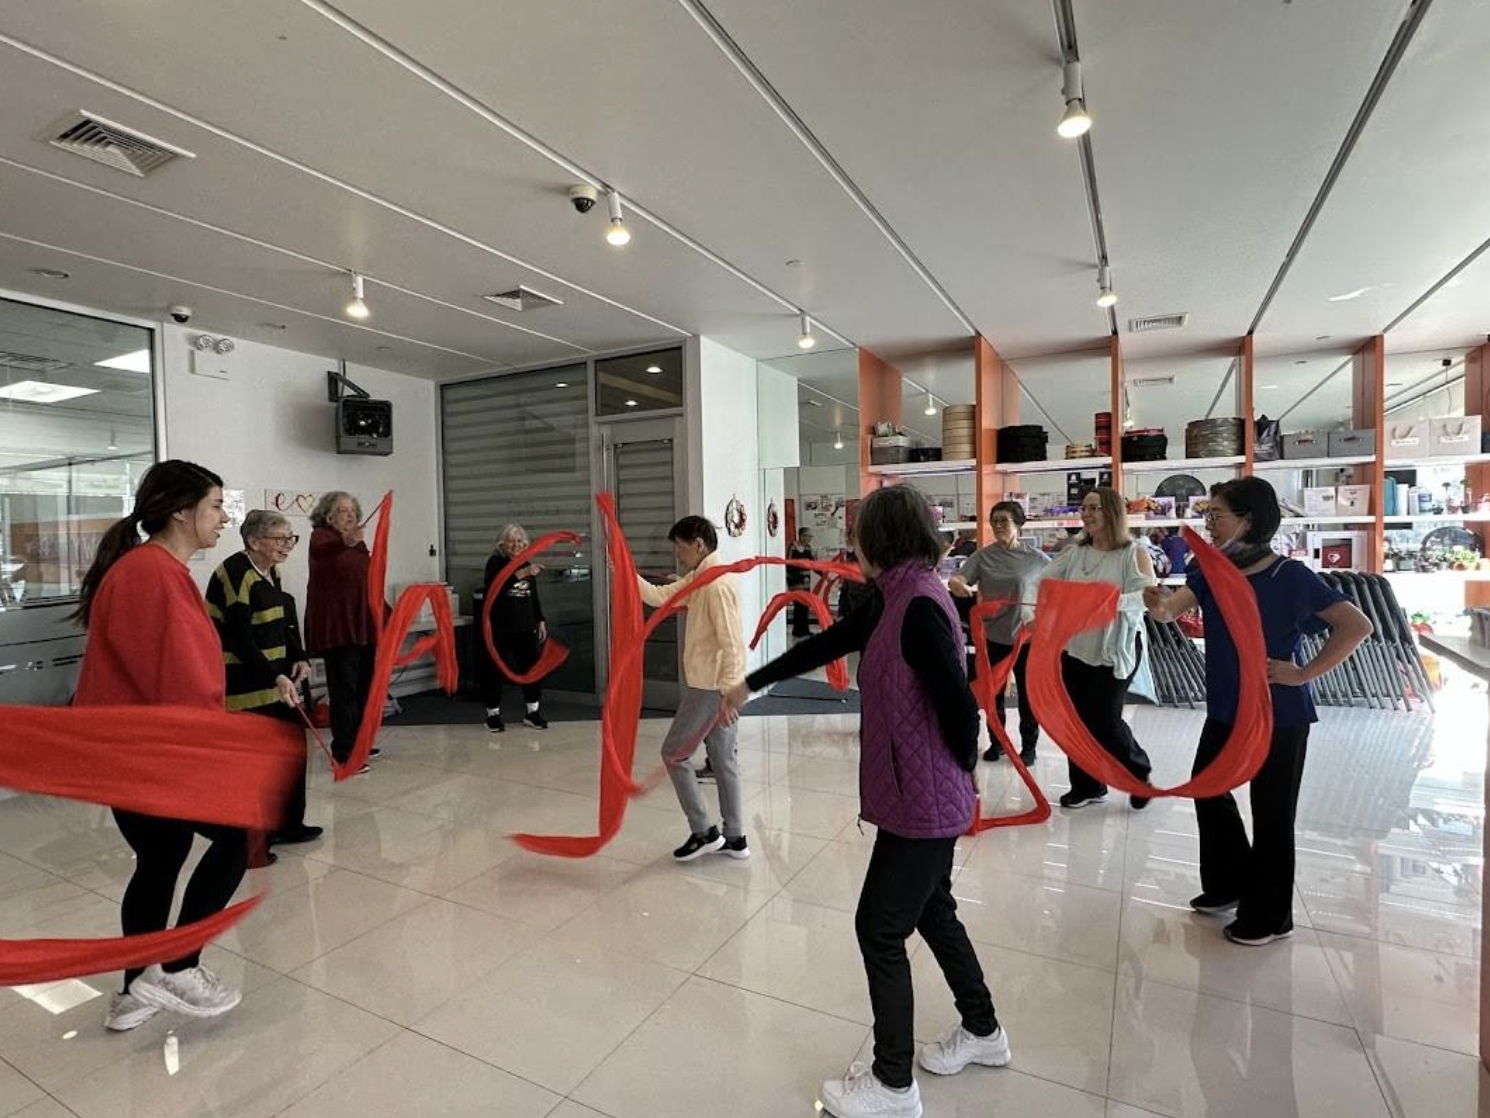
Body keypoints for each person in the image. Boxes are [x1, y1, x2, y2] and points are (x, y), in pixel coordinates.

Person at [723, 485, 1007, 1118]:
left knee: (878, 928)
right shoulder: (894, 597)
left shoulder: (919, 604)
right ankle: (983, 1030)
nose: (852, 545)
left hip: (923, 800)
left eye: (857, 534)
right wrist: (750, 684)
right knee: (933, 911)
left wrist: (966, 771)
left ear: (880, 539)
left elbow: (961, 706)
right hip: (917, 792)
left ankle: (892, 1084)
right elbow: (827, 644)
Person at [1144, 478, 1371, 946]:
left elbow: (1356, 625)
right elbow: (1169, 612)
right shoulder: (1212, 572)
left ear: (1248, 520)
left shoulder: (1289, 576)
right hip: (1226, 708)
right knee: (1208, 789)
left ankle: (1270, 916)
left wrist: (1303, 674)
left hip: (1278, 714)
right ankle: (1229, 883)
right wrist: (1156, 605)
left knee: (1272, 813)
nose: (1209, 524)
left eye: (1217, 515)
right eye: (1207, 516)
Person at [71, 460, 247, 1031]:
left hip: (133, 751)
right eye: (216, 506)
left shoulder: (150, 569)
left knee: (161, 857)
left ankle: (134, 991)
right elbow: (178, 678)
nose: (223, 518)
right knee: (236, 839)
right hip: (153, 752)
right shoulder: (152, 574)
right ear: (180, 511)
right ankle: (177, 967)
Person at [205, 510, 321, 852]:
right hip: (245, 683)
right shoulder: (235, 573)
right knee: (258, 762)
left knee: (293, 750)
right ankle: (256, 838)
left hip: (277, 680)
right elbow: (240, 638)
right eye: (280, 539)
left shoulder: (272, 571)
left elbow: (284, 620)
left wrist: (299, 656)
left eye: (290, 538)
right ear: (254, 541)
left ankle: (289, 824)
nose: (287, 545)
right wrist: (275, 675)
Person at [637, 516, 749, 861]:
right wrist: (626, 574)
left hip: (710, 688)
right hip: (716, 686)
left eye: (680, 547)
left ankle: (704, 832)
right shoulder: (701, 578)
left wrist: (730, 694)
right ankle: (735, 838)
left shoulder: (715, 584)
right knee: (723, 760)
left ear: (698, 545)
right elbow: (659, 597)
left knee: (674, 754)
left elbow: (733, 644)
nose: (677, 554)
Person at [1040, 487, 1157, 811]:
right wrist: (1034, 612)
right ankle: (1087, 786)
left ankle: (1138, 774)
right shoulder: (1075, 552)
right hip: (1076, 646)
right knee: (1075, 720)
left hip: (1115, 647)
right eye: (1084, 508)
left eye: (1094, 508)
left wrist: (1105, 602)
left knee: (1104, 720)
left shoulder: (1133, 553)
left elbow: (1147, 597)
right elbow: (1043, 580)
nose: (1087, 514)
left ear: (1112, 512)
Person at [949, 501, 1049, 765]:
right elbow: (960, 577)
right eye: (994, 521)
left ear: (1018, 523)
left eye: (1004, 520)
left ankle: (1029, 746)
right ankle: (998, 742)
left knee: (1028, 696)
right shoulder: (983, 556)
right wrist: (957, 583)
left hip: (1027, 639)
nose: (998, 526)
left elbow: (1056, 589)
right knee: (993, 695)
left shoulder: (1037, 559)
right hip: (993, 637)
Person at [305, 491, 378, 773]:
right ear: (328, 516)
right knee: (344, 690)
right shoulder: (321, 537)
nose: (350, 515)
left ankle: (359, 742)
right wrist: (347, 540)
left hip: (362, 625)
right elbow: (328, 551)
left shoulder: (357, 544)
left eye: (352, 511)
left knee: (363, 687)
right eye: (342, 510)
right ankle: (343, 751)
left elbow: (367, 583)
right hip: (338, 627)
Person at [481, 523, 549, 733]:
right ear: (502, 544)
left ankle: (532, 712)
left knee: (531, 669)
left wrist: (540, 619)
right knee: (494, 671)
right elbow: (496, 586)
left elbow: (532, 595)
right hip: (500, 627)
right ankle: (492, 715)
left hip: (526, 626)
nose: (517, 545)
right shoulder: (495, 563)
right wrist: (524, 572)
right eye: (512, 541)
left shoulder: (525, 562)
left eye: (520, 541)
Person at [787, 527, 815, 637]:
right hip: (795, 582)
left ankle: (805, 629)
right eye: (808, 536)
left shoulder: (808, 548)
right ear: (802, 536)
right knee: (798, 606)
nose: (810, 538)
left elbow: (813, 563)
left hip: (806, 582)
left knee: (805, 605)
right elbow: (788, 564)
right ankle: (797, 630)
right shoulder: (793, 548)